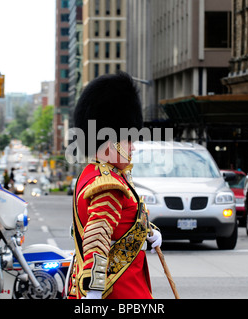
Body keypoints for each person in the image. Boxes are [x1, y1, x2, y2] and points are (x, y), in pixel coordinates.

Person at [66, 72, 162, 299]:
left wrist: (150, 231)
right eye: (129, 139)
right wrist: (95, 291)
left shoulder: (95, 174)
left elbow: (124, 221)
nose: (133, 148)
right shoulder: (108, 185)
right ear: (112, 141)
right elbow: (97, 239)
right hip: (119, 291)